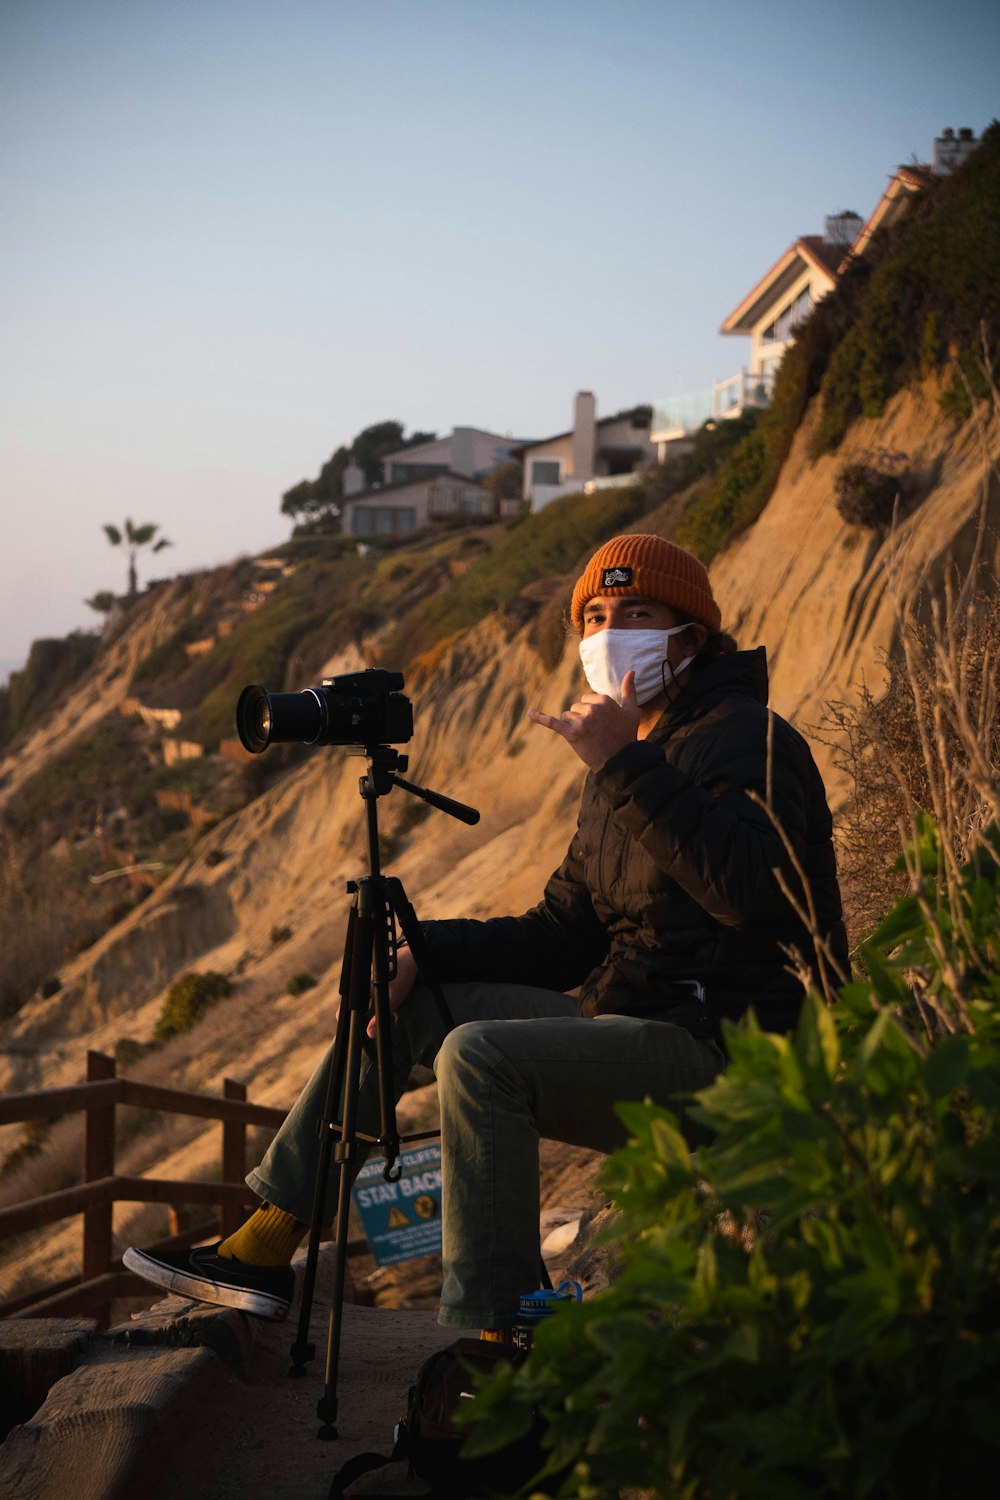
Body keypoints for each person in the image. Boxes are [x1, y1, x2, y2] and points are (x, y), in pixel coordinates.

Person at [125, 533, 847, 1333]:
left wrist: (624, 768)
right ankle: (264, 1247)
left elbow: (751, 893)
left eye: (636, 613)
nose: (610, 634)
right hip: (641, 1023)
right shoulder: (631, 757)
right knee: (411, 1007)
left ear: (692, 635)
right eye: (595, 617)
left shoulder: (750, 737)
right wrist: (419, 952)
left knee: (481, 1057)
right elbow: (561, 936)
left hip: (736, 1056)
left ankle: (495, 1332)